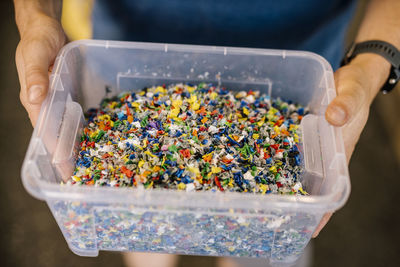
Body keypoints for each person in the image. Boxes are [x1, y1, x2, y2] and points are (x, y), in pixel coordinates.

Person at [13, 0, 400, 266]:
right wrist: (35, 18)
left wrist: (372, 63)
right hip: (129, 69)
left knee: (261, 249)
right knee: (141, 232)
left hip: (294, 80)